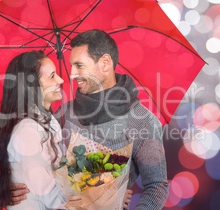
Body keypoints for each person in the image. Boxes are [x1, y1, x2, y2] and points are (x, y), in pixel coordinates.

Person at [11, 29, 169, 209]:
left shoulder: (142, 121)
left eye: (79, 65)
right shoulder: (63, 113)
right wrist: (9, 185)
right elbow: (42, 169)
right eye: (71, 65)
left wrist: (112, 198)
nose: (71, 74)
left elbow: (156, 185)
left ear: (105, 63)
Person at [0, 50, 69, 209]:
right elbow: (49, 195)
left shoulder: (43, 125)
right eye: (52, 76)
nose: (61, 79)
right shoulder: (27, 131)